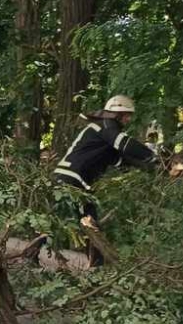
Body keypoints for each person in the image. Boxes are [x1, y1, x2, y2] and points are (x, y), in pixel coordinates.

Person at [53, 95, 156, 266]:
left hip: (75, 181)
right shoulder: (106, 127)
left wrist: (156, 167)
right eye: (126, 115)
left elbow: (122, 159)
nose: (128, 119)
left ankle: (96, 263)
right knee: (83, 222)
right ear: (116, 114)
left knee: (88, 222)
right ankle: (38, 251)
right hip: (71, 179)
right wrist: (152, 156)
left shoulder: (105, 136)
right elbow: (126, 145)